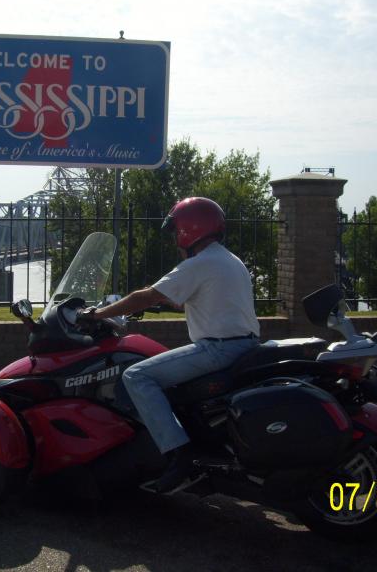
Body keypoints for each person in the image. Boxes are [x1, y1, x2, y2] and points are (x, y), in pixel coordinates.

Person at [84, 197, 260, 493]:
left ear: (188, 231)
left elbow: (146, 295)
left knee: (136, 376)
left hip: (217, 349)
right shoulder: (229, 260)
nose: (174, 241)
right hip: (246, 345)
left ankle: (179, 454)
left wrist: (95, 314)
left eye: (175, 232)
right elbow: (199, 300)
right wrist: (160, 305)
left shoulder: (199, 263)